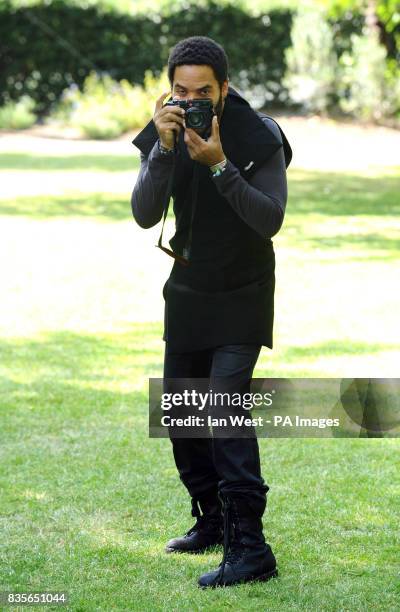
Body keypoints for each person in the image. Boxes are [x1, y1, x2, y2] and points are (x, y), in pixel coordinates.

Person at [131, 36, 292, 588]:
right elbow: (144, 213)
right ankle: (214, 520)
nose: (192, 99)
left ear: (224, 87)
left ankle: (253, 550)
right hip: (190, 290)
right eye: (181, 90)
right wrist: (164, 149)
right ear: (169, 87)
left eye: (204, 91)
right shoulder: (167, 129)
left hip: (244, 291)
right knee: (182, 415)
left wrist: (221, 164)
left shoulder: (258, 135)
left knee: (223, 410)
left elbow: (269, 219)